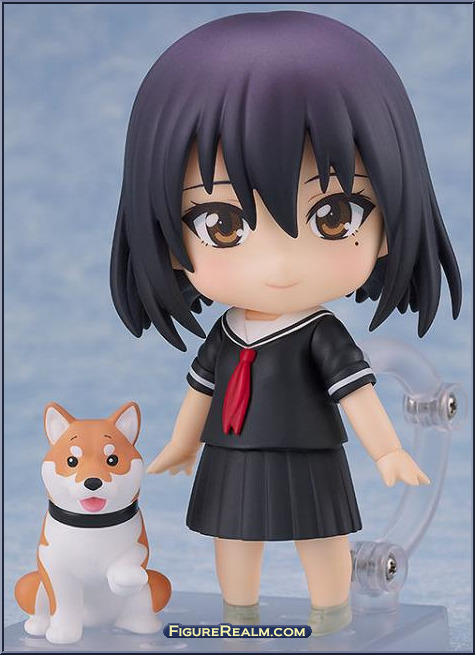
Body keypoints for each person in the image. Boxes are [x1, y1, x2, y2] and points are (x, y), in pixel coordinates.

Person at [110, 12, 461, 635]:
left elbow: (356, 392)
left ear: (390, 219)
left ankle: (331, 614)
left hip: (310, 454)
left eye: (334, 216)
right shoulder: (224, 335)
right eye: (222, 224)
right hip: (231, 454)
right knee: (232, 539)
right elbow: (201, 390)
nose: (277, 265)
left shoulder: (321, 334)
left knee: (322, 537)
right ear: (166, 239)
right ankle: (238, 618)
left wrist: (387, 450)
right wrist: (184, 443)